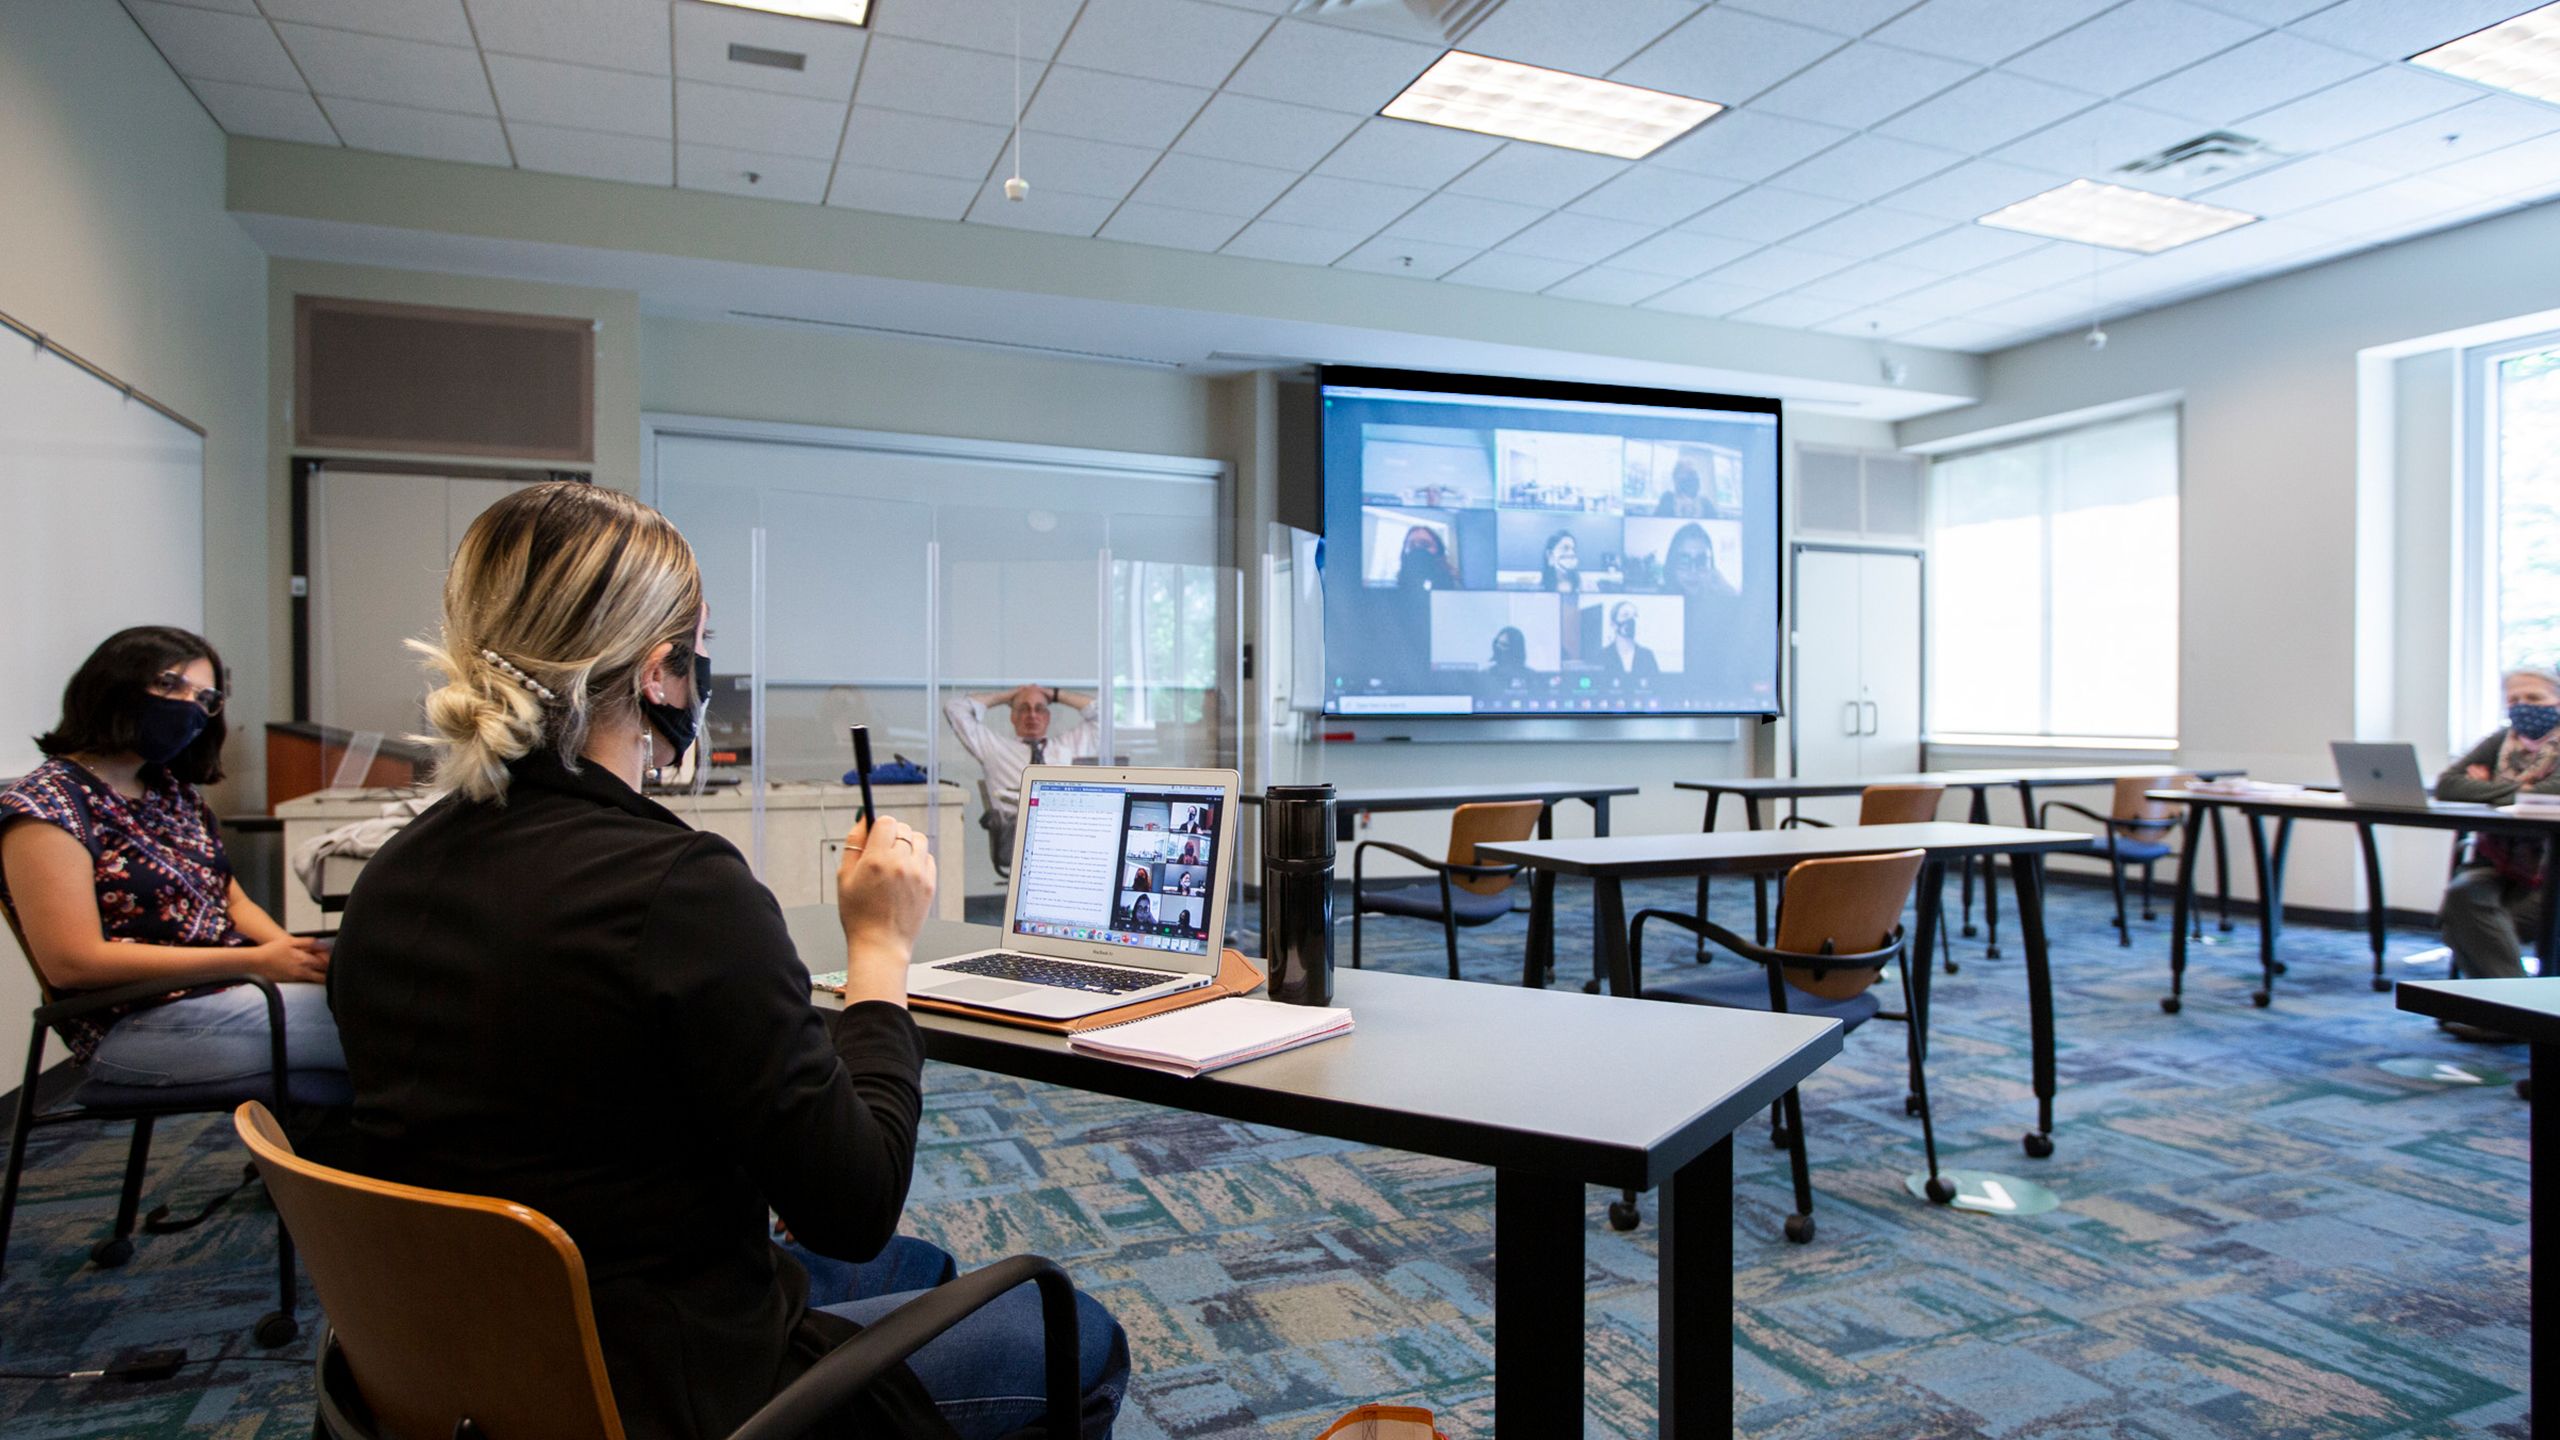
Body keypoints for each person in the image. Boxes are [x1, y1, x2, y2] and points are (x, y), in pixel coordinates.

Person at [325, 483, 1127, 1440]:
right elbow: (855, 1205)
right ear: (662, 674)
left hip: (471, 1372)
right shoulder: (677, 890)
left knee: (922, 1277)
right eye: (701, 649)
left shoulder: (394, 876)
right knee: (1077, 1332)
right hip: (680, 1394)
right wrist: (879, 950)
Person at [0, 627, 344, 1102]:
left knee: (379, 1006)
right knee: (380, 1028)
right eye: (169, 684)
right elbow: (72, 962)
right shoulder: (46, 804)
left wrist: (290, 951)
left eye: (204, 697)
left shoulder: (171, 791)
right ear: (110, 683)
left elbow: (228, 896)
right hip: (133, 1028)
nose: (188, 705)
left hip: (225, 991)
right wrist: (255, 960)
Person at [2436, 666, 2560, 1025]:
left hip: (2553, 869)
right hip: (2501, 867)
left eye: (2534, 698)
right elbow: (2448, 785)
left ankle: (2507, 1016)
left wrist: (2487, 789)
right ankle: (2522, 1016)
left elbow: (2554, 793)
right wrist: (2523, 791)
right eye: (2514, 700)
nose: (2523, 707)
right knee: (2462, 898)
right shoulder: (2501, 741)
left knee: (2468, 922)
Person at [942, 685, 1100, 827]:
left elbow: (1104, 715)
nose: (1032, 715)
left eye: (1039, 709)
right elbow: (955, 709)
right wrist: (1006, 696)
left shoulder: (1068, 747)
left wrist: (1055, 694)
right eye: (1024, 709)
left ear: (1047, 717)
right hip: (1013, 834)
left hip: (1062, 828)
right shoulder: (995, 749)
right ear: (1013, 717)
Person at [1666, 522, 1748, 691]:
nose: (1693, 570)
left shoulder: (1724, 607)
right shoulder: (1660, 605)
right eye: (1684, 560)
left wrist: (1730, 594)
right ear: (1671, 565)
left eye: (1701, 561)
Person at [1600, 601, 1659, 677]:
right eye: (1625, 615)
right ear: (1613, 624)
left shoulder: (1647, 656)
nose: (1631, 620)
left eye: (1635, 615)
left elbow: (1656, 683)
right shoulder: (1602, 656)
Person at [1394, 525, 1455, 591]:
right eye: (1411, 545)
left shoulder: (1455, 590)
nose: (1417, 548)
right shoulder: (1393, 590)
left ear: (1439, 552)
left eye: (1425, 545)